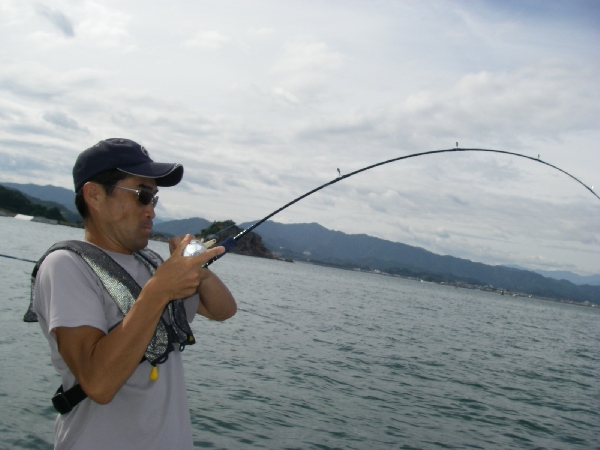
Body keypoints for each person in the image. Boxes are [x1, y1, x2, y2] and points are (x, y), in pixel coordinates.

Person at [31, 138, 237, 449]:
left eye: (154, 199)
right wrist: (159, 291)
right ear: (94, 195)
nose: (151, 210)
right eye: (143, 196)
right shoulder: (65, 266)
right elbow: (98, 384)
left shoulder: (151, 262)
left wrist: (197, 267)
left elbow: (223, 310)